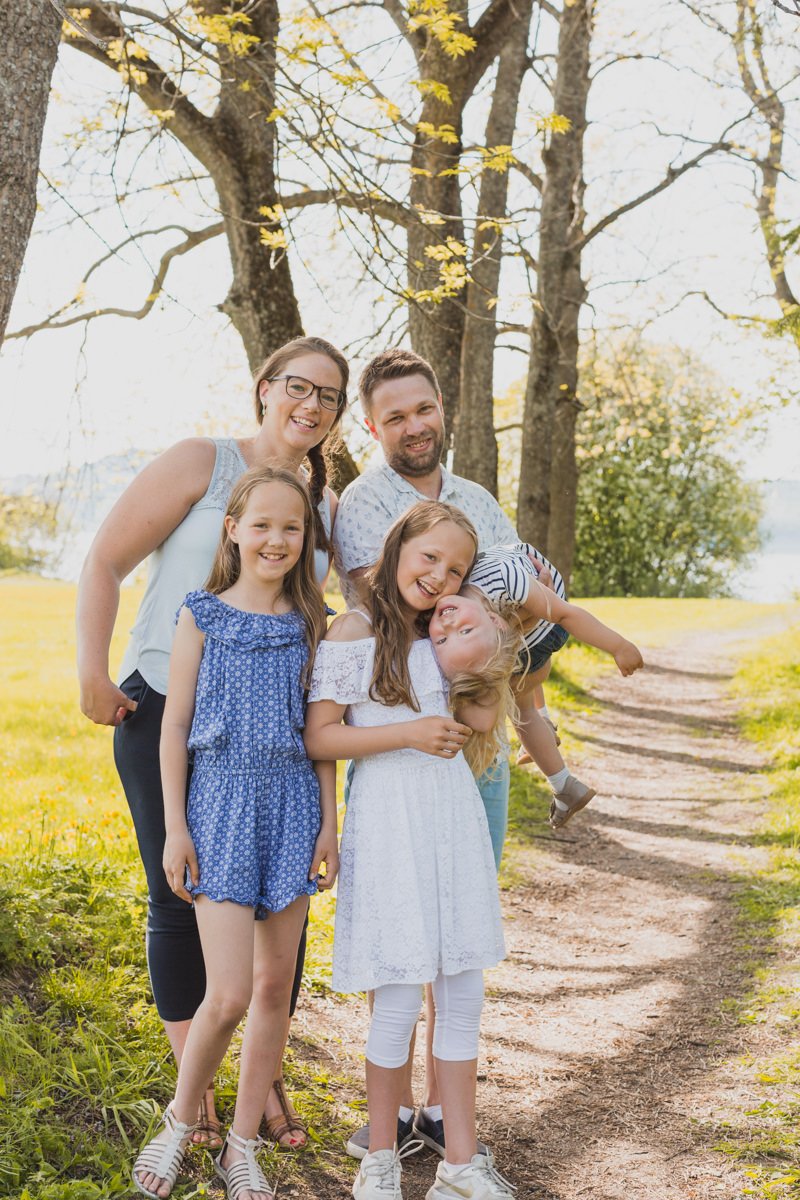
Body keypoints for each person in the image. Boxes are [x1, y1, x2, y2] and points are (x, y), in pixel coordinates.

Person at [77, 335, 348, 1148]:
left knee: (273, 901)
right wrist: (93, 668)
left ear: (338, 416)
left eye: (329, 396)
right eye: (298, 386)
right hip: (164, 706)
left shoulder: (318, 511)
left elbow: (335, 614)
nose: (310, 405)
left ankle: (261, 1086)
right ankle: (190, 1085)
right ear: (265, 387)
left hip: (268, 747)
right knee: (180, 891)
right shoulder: (201, 462)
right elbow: (104, 561)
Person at [332, 347, 521, 1158]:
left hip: (468, 738)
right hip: (397, 738)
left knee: (460, 937)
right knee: (404, 946)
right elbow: (385, 617)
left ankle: (448, 1122)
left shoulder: (477, 498)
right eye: (395, 415)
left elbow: (511, 605)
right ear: (373, 426)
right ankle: (391, 1122)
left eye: (425, 408)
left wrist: (495, 675)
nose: (414, 425)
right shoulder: (364, 506)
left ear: (444, 406)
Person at [132, 466, 338, 1200]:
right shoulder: (202, 614)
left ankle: (242, 1144)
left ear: (306, 537)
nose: (277, 539)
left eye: (292, 527)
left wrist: (328, 826)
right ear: (233, 530)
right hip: (218, 807)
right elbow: (175, 730)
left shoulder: (313, 625)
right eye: (263, 525)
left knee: (275, 989)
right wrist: (175, 830)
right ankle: (181, 1121)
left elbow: (320, 737)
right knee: (226, 995)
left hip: (290, 808)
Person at [304, 502, 515, 1200]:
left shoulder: (440, 635)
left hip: (448, 820)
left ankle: (459, 1164)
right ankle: (381, 1161)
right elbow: (321, 737)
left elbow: (480, 715)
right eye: (429, 557)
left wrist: (491, 644)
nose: (440, 575)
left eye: (455, 568)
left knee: (461, 993)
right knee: (397, 1000)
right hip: (390, 821)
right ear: (398, 547)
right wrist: (409, 734)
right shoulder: (355, 630)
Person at [429, 540, 645, 828]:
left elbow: (565, 613)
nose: (448, 624)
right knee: (518, 702)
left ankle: (561, 778)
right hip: (519, 628)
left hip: (546, 629)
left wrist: (618, 645)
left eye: (464, 631)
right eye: (442, 640)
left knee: (522, 711)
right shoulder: (458, 603)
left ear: (496, 620)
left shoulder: (501, 578)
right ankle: (558, 767)